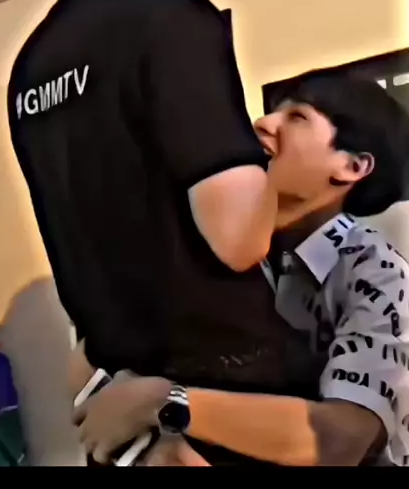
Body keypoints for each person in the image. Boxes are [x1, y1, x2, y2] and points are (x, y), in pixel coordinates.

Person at [8, 0, 319, 468]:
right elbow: (238, 239)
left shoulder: (30, 70)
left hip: (126, 429)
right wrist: (277, 160)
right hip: (222, 412)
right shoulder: (172, 21)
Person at [73, 73, 409, 467]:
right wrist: (152, 445)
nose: (263, 123)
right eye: (273, 111)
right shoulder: (207, 245)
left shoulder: (378, 276)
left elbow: (339, 440)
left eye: (298, 117)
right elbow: (90, 362)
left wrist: (167, 404)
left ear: (352, 166)